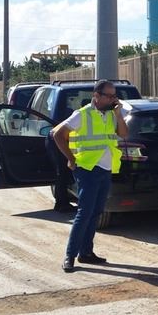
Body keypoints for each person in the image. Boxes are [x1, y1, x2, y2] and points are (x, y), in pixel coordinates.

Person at [52, 80, 128, 272]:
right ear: (96, 96)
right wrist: (71, 159)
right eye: (109, 96)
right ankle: (70, 256)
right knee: (85, 212)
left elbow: (124, 134)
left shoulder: (112, 114)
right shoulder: (82, 114)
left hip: (105, 169)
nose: (113, 99)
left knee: (96, 212)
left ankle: (86, 253)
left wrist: (118, 114)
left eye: (114, 95)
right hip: (87, 169)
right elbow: (57, 135)